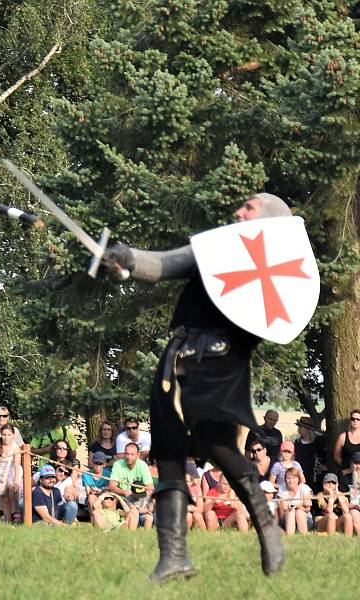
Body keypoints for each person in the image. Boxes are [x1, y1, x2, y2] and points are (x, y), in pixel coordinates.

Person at [103, 192, 292, 580]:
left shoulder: (272, 257)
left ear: (268, 219)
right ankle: (174, 556)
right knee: (169, 452)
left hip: (221, 357)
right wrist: (127, 258)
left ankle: (267, 525)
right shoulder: (218, 247)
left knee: (214, 441)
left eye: (249, 207)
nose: (238, 211)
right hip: (177, 355)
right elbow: (166, 263)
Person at [0, 424, 23, 523]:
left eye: (9, 435)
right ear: (1, 434)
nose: (6, 437)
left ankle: (16, 512)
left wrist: (16, 481)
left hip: (12, 470)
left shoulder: (15, 448)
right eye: (4, 434)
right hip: (0, 472)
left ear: (13, 435)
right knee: (4, 498)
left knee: (11, 486)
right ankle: (8, 522)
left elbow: (17, 466)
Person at [293, 416, 326, 493]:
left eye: (301, 427)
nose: (298, 429)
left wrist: (326, 467)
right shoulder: (297, 443)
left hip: (317, 478)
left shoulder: (319, 442)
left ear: (307, 429)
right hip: (303, 479)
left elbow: (326, 457)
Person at [276, 467, 312, 535]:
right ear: (285, 479)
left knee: (299, 512)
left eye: (294, 478)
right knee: (291, 511)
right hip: (288, 518)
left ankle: (304, 537)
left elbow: (307, 508)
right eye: (288, 478)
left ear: (298, 479)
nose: (291, 480)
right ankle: (290, 537)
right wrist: (299, 506)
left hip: (306, 519)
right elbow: (285, 508)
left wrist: (297, 507)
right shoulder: (282, 489)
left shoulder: (305, 488)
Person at [333, 408, 360, 490]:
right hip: (346, 474)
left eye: (358, 419)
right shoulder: (343, 437)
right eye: (353, 419)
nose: (355, 421)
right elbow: (336, 456)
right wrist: (348, 467)